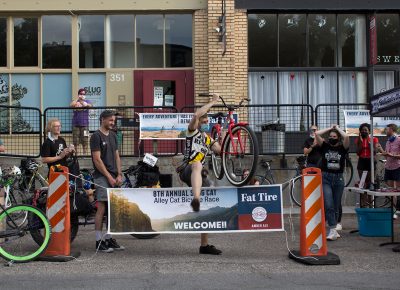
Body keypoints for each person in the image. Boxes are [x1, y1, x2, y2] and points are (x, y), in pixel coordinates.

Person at [178, 93, 222, 255]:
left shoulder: (208, 139)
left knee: (208, 204)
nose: (205, 121)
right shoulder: (191, 132)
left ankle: (204, 245)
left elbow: (219, 151)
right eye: (203, 120)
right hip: (187, 169)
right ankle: (195, 198)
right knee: (197, 164)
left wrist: (222, 139)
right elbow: (196, 114)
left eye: (206, 120)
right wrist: (213, 101)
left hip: (199, 173)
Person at [90, 110, 124, 253]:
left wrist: (119, 174)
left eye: (113, 120)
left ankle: (109, 238)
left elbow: (117, 156)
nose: (112, 123)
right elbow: (97, 160)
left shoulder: (114, 136)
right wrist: (108, 177)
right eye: (110, 120)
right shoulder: (96, 136)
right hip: (101, 176)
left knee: (112, 208)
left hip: (113, 175)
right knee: (102, 207)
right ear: (102, 119)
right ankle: (99, 241)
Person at [315, 124, 349, 241]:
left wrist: (338, 129)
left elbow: (347, 137)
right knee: (328, 204)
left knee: (336, 205)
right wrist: (330, 128)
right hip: (326, 178)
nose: (332, 138)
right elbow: (317, 134)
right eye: (331, 136)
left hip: (338, 178)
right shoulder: (324, 146)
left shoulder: (342, 148)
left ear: (338, 138)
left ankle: (333, 229)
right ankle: (333, 229)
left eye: (334, 136)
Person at [355, 123, 383, 207]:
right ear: (360, 131)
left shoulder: (374, 139)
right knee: (363, 183)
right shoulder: (358, 140)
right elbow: (358, 152)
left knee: (371, 183)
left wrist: (368, 141)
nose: (364, 131)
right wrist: (361, 140)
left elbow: (374, 151)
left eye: (366, 130)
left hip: (370, 161)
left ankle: (371, 204)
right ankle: (364, 204)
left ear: (369, 131)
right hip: (362, 161)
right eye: (362, 130)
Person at [381, 124, 400, 219]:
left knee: (397, 190)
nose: (385, 130)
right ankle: (393, 210)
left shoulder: (399, 139)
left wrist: (392, 155)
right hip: (388, 167)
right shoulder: (388, 141)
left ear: (392, 130)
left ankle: (396, 210)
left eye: (387, 129)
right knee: (390, 189)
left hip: (397, 167)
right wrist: (380, 149)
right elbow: (386, 154)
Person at [70, 88, 92, 155]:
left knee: (85, 140)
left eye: (84, 94)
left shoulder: (87, 101)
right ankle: (76, 155)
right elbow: (71, 105)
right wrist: (78, 100)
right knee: (75, 141)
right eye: (81, 94)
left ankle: (85, 154)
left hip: (85, 125)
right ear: (78, 94)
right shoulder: (75, 101)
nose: (82, 95)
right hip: (75, 124)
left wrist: (84, 103)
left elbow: (91, 106)